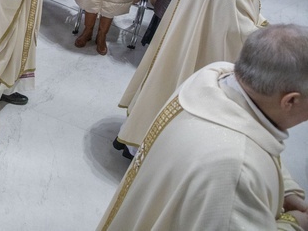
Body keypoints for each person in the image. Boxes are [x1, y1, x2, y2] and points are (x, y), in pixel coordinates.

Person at [114, 0, 281, 157]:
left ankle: (137, 136)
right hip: (198, 45)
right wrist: (270, 38)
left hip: (187, 35)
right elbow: (231, 30)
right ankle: (144, 147)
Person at [100, 26, 308, 231]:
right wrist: (296, 223)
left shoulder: (214, 77)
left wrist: (287, 190)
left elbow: (258, 135)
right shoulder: (235, 171)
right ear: (290, 101)